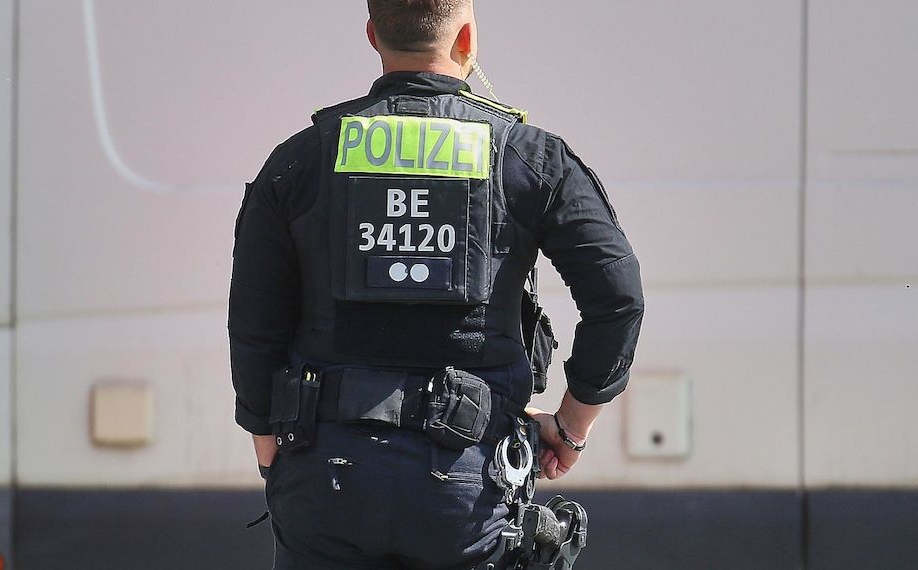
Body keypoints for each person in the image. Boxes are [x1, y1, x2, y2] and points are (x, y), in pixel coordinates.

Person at [228, 1, 644, 568]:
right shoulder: (527, 158)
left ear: (372, 35)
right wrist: (571, 427)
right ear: (467, 37)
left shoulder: (300, 159)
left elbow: (254, 321)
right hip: (467, 489)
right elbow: (618, 300)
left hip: (324, 480)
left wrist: (269, 446)